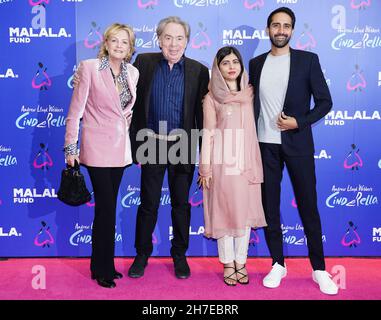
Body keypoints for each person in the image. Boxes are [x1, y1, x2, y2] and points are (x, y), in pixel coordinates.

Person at [249, 7, 338, 295]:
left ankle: (319, 269)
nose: (281, 30)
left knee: (308, 206)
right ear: (268, 30)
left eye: (286, 26)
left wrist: (299, 122)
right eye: (276, 25)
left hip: (297, 143)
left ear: (292, 30)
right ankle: (278, 263)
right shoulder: (256, 63)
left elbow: (325, 102)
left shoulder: (307, 61)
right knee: (270, 206)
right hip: (265, 145)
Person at [128, 16, 209, 279]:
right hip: (151, 142)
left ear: (187, 41)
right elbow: (131, 103)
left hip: (183, 144)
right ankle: (142, 254)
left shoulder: (199, 70)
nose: (173, 44)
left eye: (179, 38)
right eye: (168, 38)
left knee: (181, 205)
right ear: (159, 39)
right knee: (148, 203)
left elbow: (200, 115)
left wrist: (201, 152)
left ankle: (179, 255)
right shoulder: (143, 63)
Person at [64, 23, 139, 288]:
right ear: (106, 43)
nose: (120, 46)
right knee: (107, 210)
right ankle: (104, 268)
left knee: (107, 209)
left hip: (120, 150)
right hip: (96, 148)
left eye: (125, 42)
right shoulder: (89, 68)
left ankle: (100, 265)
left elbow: (126, 112)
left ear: (130, 48)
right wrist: (71, 149)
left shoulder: (133, 72)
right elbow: (76, 111)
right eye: (115, 41)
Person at [198, 46, 267, 286]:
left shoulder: (250, 94)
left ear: (241, 65)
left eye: (235, 61)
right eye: (225, 63)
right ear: (217, 68)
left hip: (247, 163)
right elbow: (207, 134)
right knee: (225, 214)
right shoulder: (211, 98)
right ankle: (228, 262)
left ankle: (241, 262)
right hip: (222, 163)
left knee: (244, 215)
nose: (231, 67)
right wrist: (205, 168)